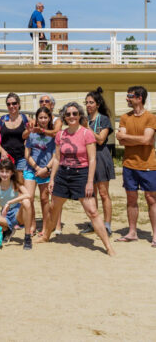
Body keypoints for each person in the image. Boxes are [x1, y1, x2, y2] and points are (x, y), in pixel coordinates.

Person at [37, 102, 115, 256]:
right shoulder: (60, 135)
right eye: (68, 114)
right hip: (63, 175)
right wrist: (52, 179)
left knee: (92, 211)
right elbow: (57, 158)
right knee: (54, 209)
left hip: (81, 174)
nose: (71, 116)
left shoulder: (87, 133)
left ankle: (108, 246)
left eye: (74, 113)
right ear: (64, 117)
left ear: (79, 115)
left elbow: (92, 160)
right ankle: (46, 236)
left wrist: (89, 182)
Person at [115, 85, 156, 246]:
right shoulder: (125, 117)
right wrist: (139, 139)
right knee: (131, 199)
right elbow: (120, 139)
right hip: (128, 164)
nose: (127, 98)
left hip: (148, 164)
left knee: (151, 199)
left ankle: (155, 235)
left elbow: (147, 140)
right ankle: (132, 232)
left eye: (130, 96)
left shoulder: (151, 117)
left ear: (139, 98)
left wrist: (127, 138)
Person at [0, 159, 33, 250]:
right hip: (5, 216)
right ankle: (6, 230)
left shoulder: (15, 183)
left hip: (17, 214)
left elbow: (28, 195)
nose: (4, 174)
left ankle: (27, 237)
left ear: (12, 173)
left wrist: (10, 202)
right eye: (2, 171)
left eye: (7, 172)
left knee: (26, 202)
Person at [83, 87, 115, 236]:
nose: (88, 105)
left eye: (91, 102)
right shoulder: (85, 119)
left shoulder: (103, 119)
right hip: (87, 157)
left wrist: (86, 128)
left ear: (98, 104)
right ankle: (94, 223)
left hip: (101, 156)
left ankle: (107, 225)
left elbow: (101, 139)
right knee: (90, 193)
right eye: (86, 102)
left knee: (103, 193)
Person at [23, 107, 56, 237]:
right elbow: (27, 154)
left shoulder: (52, 135)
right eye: (40, 117)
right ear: (37, 119)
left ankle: (45, 226)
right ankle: (32, 225)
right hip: (31, 169)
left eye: (45, 117)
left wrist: (46, 169)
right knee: (29, 198)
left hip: (46, 171)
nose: (42, 120)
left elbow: (55, 156)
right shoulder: (31, 133)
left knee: (44, 199)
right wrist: (37, 168)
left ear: (49, 119)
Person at [0, 93, 28, 178]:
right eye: (8, 104)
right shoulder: (1, 120)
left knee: (20, 183)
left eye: (14, 103)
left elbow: (31, 135)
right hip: (5, 157)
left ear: (18, 104)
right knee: (6, 182)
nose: (11, 106)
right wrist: (2, 151)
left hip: (21, 157)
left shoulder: (25, 119)